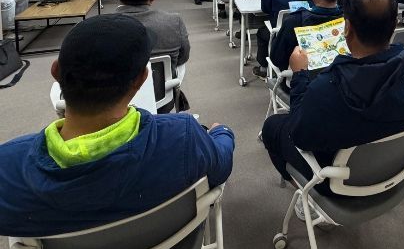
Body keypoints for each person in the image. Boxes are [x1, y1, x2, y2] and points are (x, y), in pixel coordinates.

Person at [0, 14, 234, 237]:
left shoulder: (7, 169)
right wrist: (222, 132)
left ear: (55, 72)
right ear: (142, 79)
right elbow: (220, 167)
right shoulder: (182, 138)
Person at [261, 0, 404, 203]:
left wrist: (300, 74)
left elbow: (299, 135)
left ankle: (306, 195)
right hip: (397, 170)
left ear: (347, 28)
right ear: (394, 26)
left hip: (338, 184)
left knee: (273, 126)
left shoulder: (328, 88)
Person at [113, 0, 190, 77]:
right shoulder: (174, 22)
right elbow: (183, 58)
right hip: (162, 87)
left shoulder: (96, 28)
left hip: (119, 88)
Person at [269, 0, 345, 74]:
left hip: (302, 81)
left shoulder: (293, 21)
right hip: (342, 78)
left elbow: (277, 59)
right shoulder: (350, 20)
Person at [255, 0, 312, 78]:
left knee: (261, 33)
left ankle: (263, 69)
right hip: (306, 30)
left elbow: (265, 9)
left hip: (279, 32)